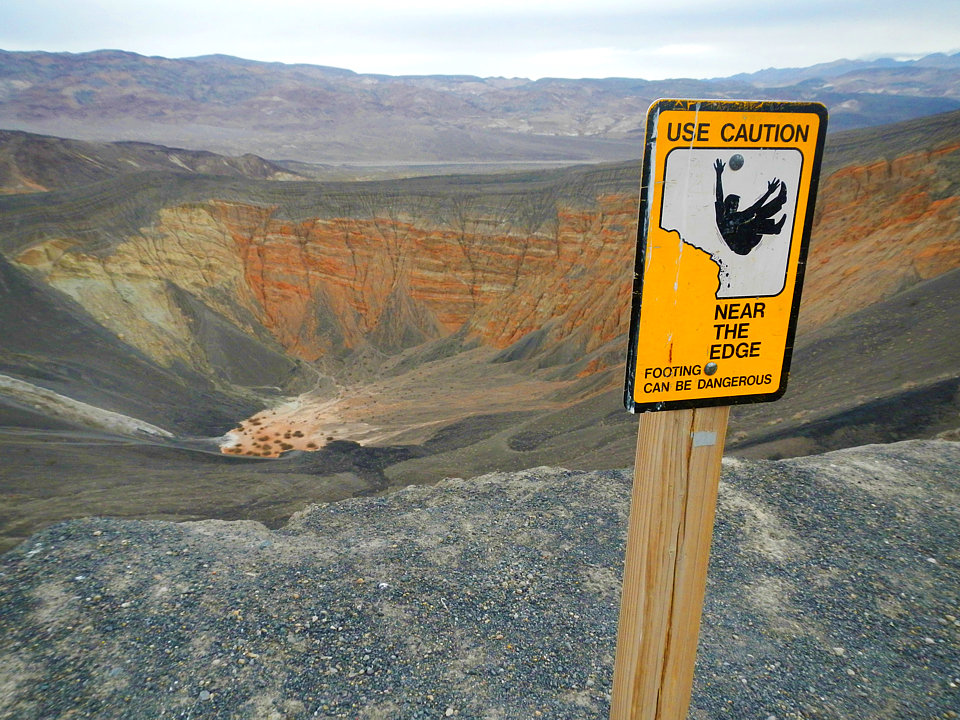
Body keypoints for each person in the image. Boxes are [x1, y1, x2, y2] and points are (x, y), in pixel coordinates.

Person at [714, 158, 787, 255]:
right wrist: (768, 193)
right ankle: (774, 224)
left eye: (736, 204)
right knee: (752, 220)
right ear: (728, 205)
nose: (735, 207)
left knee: (756, 216)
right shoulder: (725, 219)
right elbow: (720, 197)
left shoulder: (732, 217)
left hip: (746, 240)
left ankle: (779, 204)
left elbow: (752, 210)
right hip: (741, 246)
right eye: (733, 204)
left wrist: (719, 175)